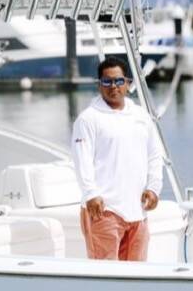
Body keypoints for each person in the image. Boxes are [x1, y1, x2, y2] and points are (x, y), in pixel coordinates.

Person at [70, 56, 163, 261]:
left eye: (119, 81)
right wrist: (90, 193)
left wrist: (154, 188)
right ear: (99, 85)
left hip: (137, 212)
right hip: (103, 211)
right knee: (105, 278)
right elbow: (81, 160)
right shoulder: (88, 119)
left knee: (137, 277)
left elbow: (155, 155)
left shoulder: (141, 116)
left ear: (128, 83)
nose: (114, 86)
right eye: (107, 81)